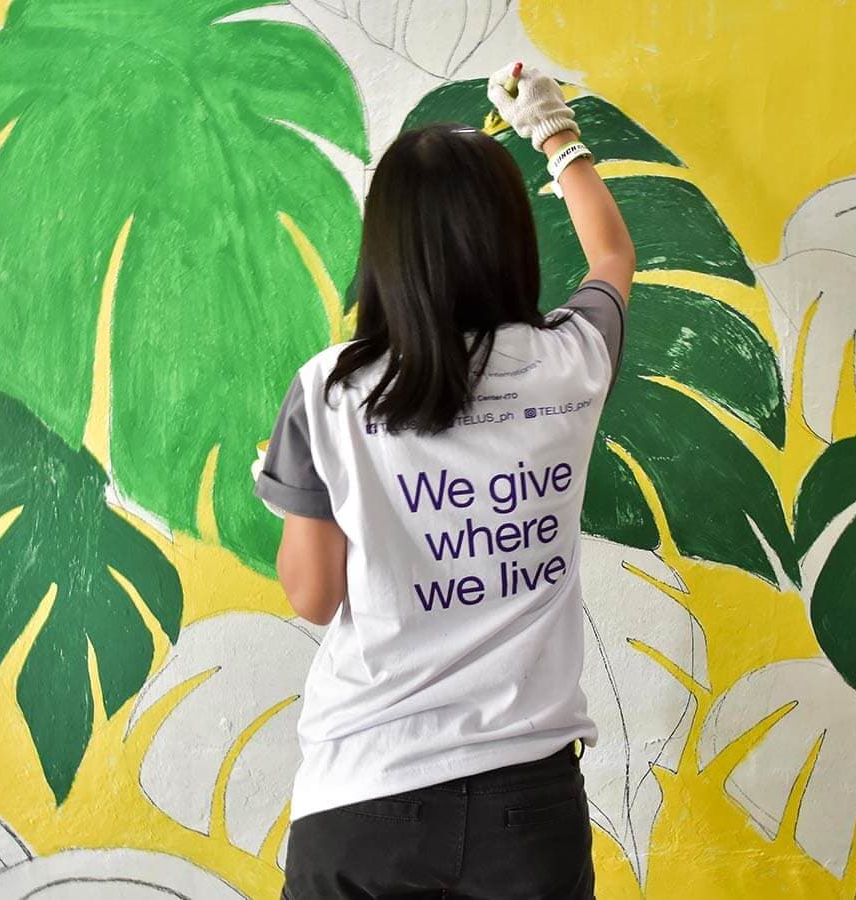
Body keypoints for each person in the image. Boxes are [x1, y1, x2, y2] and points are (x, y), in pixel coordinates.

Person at [254, 63, 634, 900]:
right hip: (527, 806)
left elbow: (313, 596)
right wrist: (552, 130)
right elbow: (612, 254)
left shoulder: (330, 390)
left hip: (362, 799)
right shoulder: (573, 360)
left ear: (384, 246)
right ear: (509, 238)